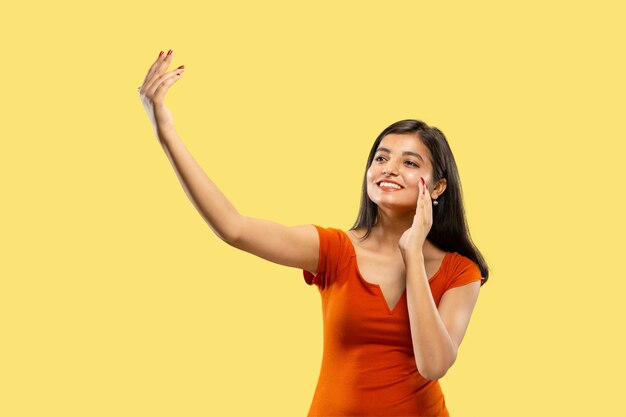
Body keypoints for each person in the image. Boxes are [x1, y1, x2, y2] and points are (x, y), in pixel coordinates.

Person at [138, 49, 490, 417]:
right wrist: (165, 131)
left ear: (437, 187)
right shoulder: (335, 250)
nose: (389, 169)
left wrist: (413, 253)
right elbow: (234, 228)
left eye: (410, 162)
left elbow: (434, 364)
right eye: (381, 158)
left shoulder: (460, 272)